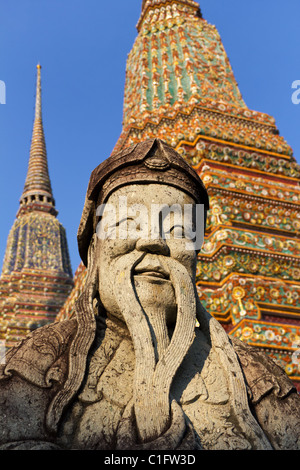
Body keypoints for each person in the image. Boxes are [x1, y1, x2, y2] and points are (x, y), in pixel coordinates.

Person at [0, 138, 299, 450]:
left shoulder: (253, 376)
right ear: (94, 248)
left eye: (179, 230)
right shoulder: (42, 360)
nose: (153, 241)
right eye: (128, 223)